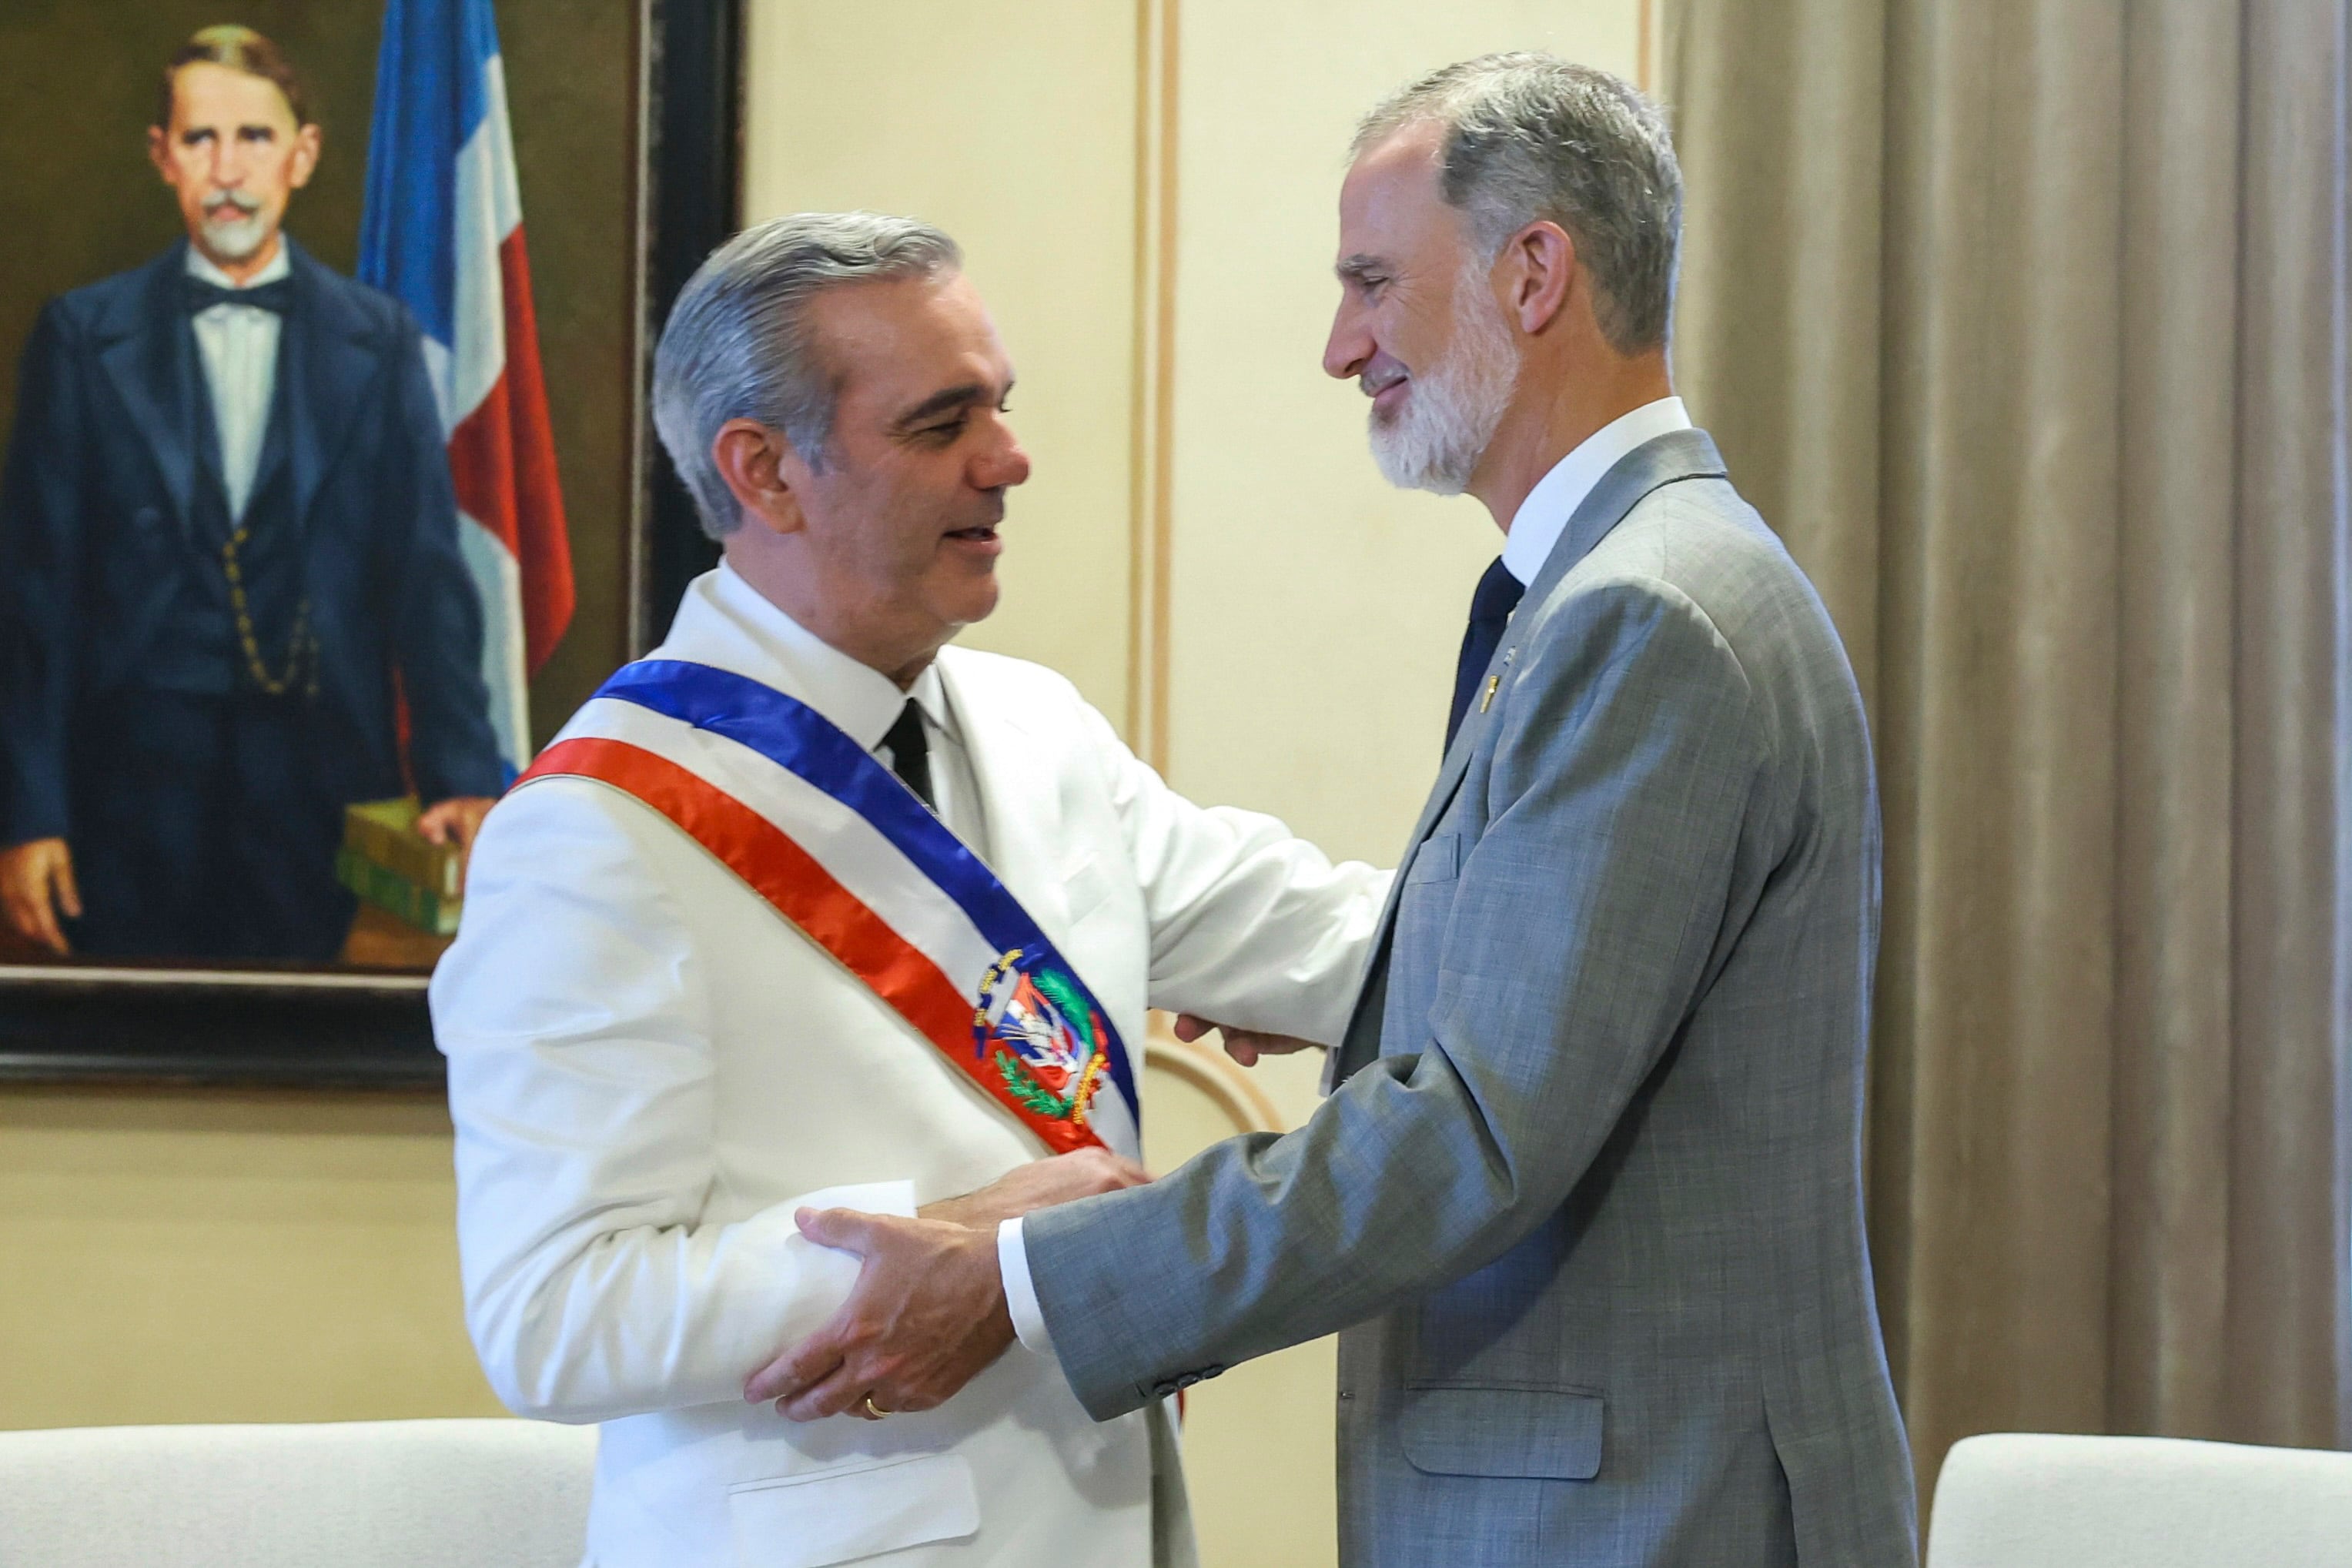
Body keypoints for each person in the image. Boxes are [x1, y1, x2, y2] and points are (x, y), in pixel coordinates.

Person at [748, 55, 1919, 1568]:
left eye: (1372, 281)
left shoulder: (1646, 617)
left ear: (1534, 271)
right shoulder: (1629, 583)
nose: (1338, 345)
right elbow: (1580, 991)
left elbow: (1480, 1133)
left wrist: (1030, 1282)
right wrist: (1379, 988)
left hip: (1648, 1513)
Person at [430, 212, 1387, 1568]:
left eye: (1001, 406)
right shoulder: (594, 828)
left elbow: (1344, 947)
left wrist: (1665, 881)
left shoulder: (1036, 727)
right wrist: (968, 1252)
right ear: (763, 470)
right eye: (943, 425)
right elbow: (553, 1313)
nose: (1010, 459)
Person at [0, 25, 501, 962]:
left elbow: (425, 575)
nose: (228, 170)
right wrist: (25, 816)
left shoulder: (378, 338)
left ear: (302, 157)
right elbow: (33, 607)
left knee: (294, 1047)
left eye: (256, 139)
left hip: (317, 784)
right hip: (126, 786)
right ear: (163, 158)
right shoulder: (81, 335)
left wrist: (462, 774)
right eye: (201, 140)